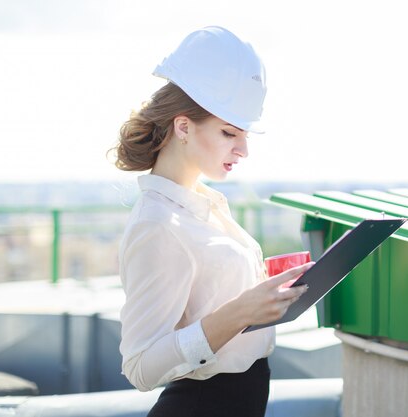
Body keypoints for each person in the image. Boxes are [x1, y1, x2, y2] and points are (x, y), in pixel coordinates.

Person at [110, 26, 311, 417]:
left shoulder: (202, 204)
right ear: (183, 127)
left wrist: (267, 294)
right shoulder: (158, 224)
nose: (244, 149)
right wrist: (243, 311)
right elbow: (140, 367)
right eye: (228, 133)